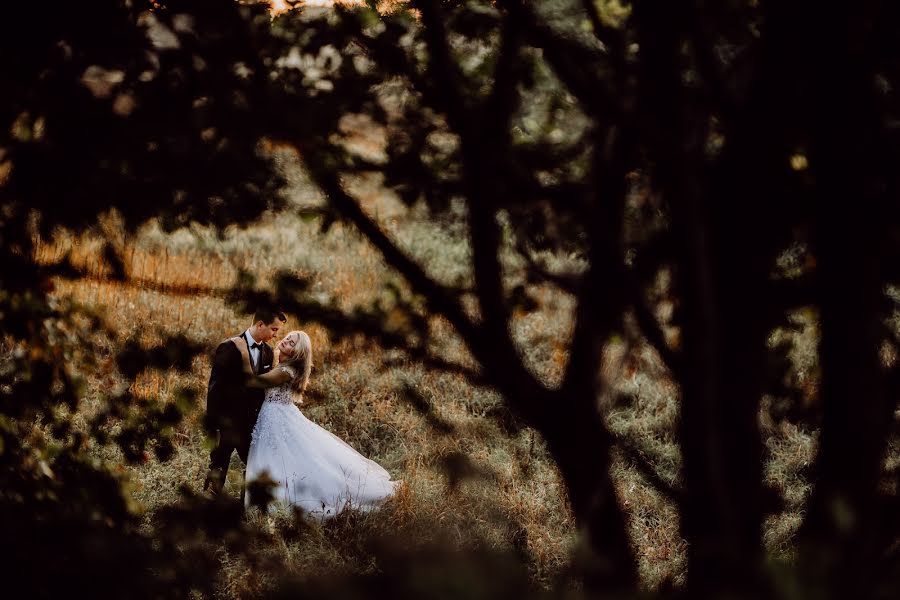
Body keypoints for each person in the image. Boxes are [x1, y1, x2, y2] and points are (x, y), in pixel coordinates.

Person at [232, 330, 399, 519]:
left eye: (292, 342)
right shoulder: (280, 365)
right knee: (280, 458)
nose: (286, 341)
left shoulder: (286, 371)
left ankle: (284, 500)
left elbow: (254, 381)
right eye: (287, 338)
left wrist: (244, 353)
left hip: (277, 419)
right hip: (273, 417)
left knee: (287, 458)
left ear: (298, 352)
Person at [203, 308, 286, 498]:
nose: (276, 335)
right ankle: (207, 509)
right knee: (218, 466)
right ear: (260, 325)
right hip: (226, 423)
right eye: (274, 329)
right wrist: (213, 424)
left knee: (255, 466)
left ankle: (244, 509)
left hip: (250, 425)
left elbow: (260, 389)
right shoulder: (229, 347)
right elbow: (215, 388)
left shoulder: (266, 352)